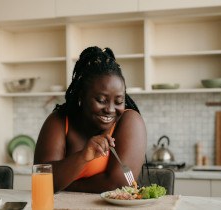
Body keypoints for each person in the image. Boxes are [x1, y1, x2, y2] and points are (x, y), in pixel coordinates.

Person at [34, 46, 147, 193]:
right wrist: (82, 157)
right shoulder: (59, 121)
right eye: (101, 100)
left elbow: (118, 185)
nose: (111, 109)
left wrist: (66, 185)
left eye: (119, 101)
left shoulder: (130, 121)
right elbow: (42, 179)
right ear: (82, 96)